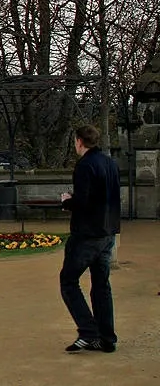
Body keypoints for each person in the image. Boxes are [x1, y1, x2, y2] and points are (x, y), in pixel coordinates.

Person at [58, 123, 119, 353]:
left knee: (68, 281)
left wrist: (66, 201)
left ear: (79, 141)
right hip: (107, 232)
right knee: (101, 285)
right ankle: (107, 338)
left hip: (87, 234)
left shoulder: (84, 166)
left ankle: (88, 331)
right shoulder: (110, 163)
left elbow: (82, 202)